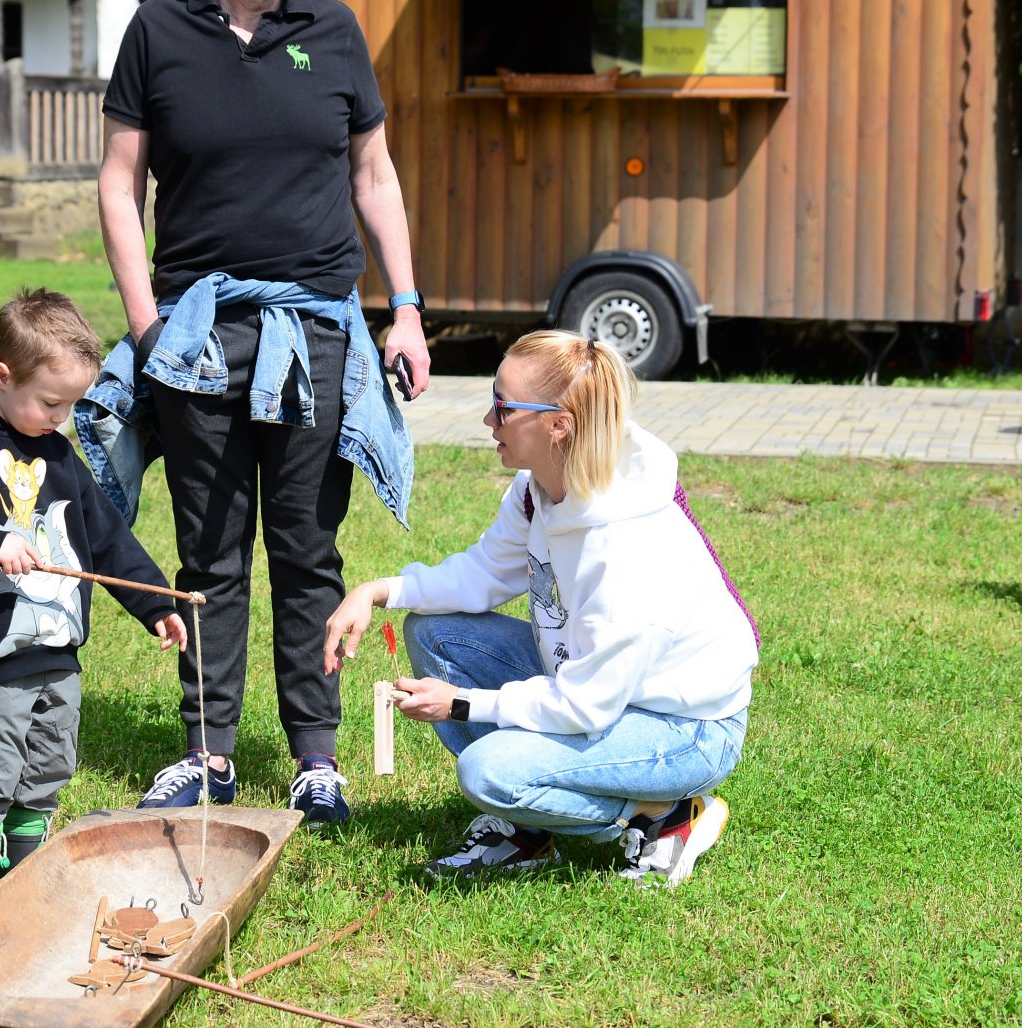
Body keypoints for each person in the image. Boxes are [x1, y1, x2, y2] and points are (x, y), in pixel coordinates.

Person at [93, 0, 431, 827]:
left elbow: (374, 175)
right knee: (209, 549)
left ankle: (317, 757)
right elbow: (119, 182)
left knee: (307, 547)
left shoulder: (333, 30)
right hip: (196, 332)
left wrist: (406, 306)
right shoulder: (157, 32)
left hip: (317, 329)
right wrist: (145, 323)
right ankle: (207, 753)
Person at [322, 331, 759, 887]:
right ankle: (527, 829)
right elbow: (484, 572)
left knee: (488, 773)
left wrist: (461, 703)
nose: (488, 420)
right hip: (596, 688)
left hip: (683, 729)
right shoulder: (540, 489)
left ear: (559, 425)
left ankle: (667, 814)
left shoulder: (628, 549)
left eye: (503, 407)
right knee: (435, 632)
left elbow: (585, 706)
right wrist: (377, 591)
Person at [0, 290, 188, 915]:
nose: (62, 417)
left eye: (71, 404)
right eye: (52, 402)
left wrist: (153, 603)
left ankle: (24, 889)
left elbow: (106, 538)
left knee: (49, 770)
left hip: (59, 654)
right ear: (3, 375)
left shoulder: (57, 453)